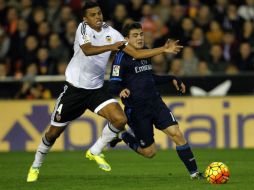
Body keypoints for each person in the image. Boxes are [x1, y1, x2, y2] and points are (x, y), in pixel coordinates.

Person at [26, 2, 182, 182]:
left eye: (99, 13)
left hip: (96, 90)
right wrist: (111, 47)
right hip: (74, 90)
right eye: (93, 15)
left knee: (120, 119)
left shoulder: (112, 33)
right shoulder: (82, 28)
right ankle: (36, 165)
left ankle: (95, 150)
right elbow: (87, 50)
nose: (98, 17)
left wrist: (163, 49)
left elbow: (137, 54)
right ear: (85, 18)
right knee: (53, 133)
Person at [107, 22, 202, 179]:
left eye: (141, 34)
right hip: (137, 110)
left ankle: (194, 174)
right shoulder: (120, 58)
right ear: (126, 39)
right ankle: (124, 136)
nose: (139, 38)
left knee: (177, 133)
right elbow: (112, 85)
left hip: (155, 103)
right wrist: (120, 90)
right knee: (150, 152)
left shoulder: (146, 51)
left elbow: (149, 78)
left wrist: (171, 78)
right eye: (135, 35)